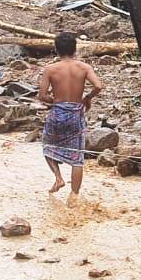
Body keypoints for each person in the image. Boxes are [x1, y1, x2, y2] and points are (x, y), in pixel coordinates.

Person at [38, 32, 102, 199]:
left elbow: (42, 95)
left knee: (47, 146)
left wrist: (54, 101)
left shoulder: (50, 69)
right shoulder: (84, 68)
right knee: (77, 157)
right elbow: (98, 86)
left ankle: (58, 178)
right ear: (74, 49)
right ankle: (74, 196)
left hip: (57, 112)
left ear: (56, 50)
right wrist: (87, 98)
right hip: (76, 114)